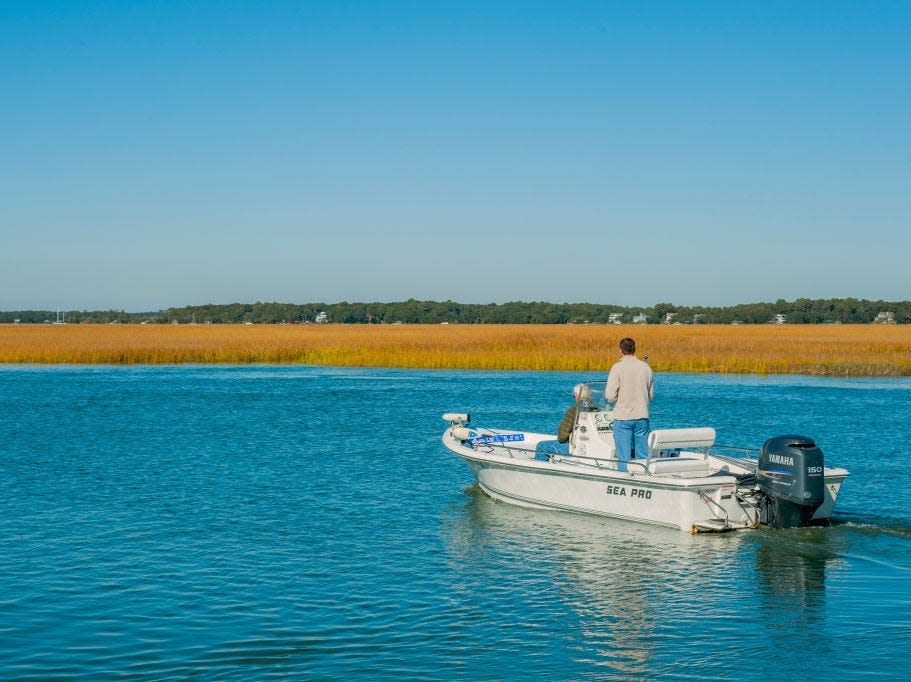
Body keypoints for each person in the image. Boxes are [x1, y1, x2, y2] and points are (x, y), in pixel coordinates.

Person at [605, 337, 654, 471]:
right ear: (634, 350)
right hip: (642, 417)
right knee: (642, 456)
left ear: (620, 351)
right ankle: (643, 478)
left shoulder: (617, 367)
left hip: (622, 418)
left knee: (624, 457)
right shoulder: (646, 367)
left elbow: (609, 396)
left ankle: (624, 479)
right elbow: (651, 395)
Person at [535, 383, 593, 461]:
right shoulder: (596, 408)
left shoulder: (574, 409)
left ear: (577, 395)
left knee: (541, 446)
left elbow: (562, 436)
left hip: (576, 448)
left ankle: (540, 470)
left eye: (574, 396)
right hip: (592, 447)